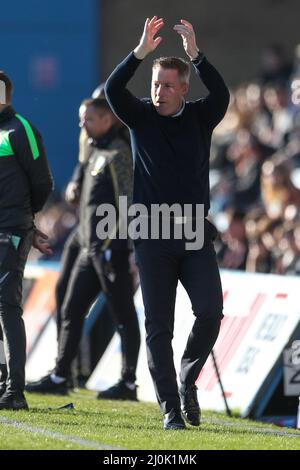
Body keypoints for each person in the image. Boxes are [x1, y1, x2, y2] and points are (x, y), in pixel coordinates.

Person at [105, 17, 230, 429]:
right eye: (156, 84)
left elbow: (223, 93)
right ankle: (170, 410)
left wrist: (197, 55)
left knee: (210, 311)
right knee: (159, 327)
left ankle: (188, 381)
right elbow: (112, 90)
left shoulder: (200, 116)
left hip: (194, 233)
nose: (159, 91)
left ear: (184, 88)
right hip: (153, 235)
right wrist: (140, 52)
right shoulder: (140, 116)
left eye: (168, 85)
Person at [26, 98, 141, 400]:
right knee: (71, 307)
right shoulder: (92, 147)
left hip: (109, 248)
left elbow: (128, 201)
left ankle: (128, 382)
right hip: (89, 246)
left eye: (88, 119)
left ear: (106, 120)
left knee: (123, 314)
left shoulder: (118, 153)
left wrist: (120, 246)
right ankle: (62, 374)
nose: (82, 125)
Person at [0, 71, 53, 410]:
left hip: (10, 230)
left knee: (6, 306)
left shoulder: (21, 129)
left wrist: (25, 222)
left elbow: (42, 183)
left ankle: (14, 391)